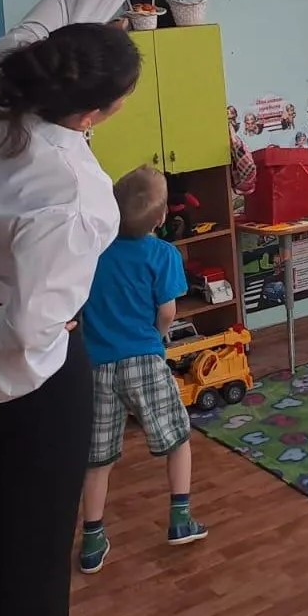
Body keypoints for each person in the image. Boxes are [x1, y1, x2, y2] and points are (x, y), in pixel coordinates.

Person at [0, 0, 229, 616]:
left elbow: (62, 1)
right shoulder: (76, 194)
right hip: (8, 362)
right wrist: (30, 361)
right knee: (30, 547)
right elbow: (31, 330)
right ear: (94, 115)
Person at [76, 166, 207, 575]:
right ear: (162, 217)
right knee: (177, 439)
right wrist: (159, 335)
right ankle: (180, 519)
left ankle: (92, 539)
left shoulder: (92, 252)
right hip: (144, 359)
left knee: (98, 458)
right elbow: (167, 311)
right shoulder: (163, 255)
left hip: (97, 366)